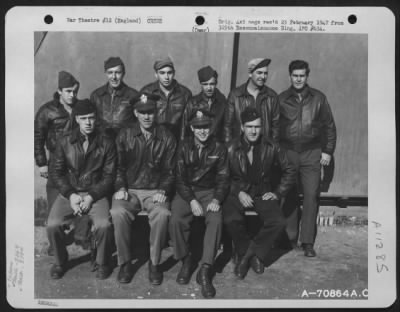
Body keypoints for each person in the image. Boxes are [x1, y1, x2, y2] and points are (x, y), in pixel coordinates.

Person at [111, 93, 177, 285]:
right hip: (129, 189)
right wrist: (121, 186)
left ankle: (154, 263)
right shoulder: (125, 134)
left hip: (155, 191)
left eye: (150, 112)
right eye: (142, 112)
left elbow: (170, 170)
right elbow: (117, 167)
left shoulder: (166, 136)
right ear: (135, 113)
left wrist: (163, 190)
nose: (147, 116)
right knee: (117, 212)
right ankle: (125, 263)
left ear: (156, 113)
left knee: (162, 213)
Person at [222, 107, 296, 279]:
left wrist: (277, 193)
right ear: (242, 128)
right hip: (238, 193)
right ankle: (243, 251)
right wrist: (238, 192)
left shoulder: (271, 146)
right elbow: (223, 177)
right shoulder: (231, 148)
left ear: (262, 127)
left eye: (257, 127)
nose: (253, 131)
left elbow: (290, 170)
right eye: (249, 127)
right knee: (231, 219)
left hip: (262, 192)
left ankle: (251, 256)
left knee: (278, 221)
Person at [47, 99, 116, 280]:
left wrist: (91, 197)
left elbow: (109, 176)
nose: (88, 122)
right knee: (53, 225)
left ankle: (102, 262)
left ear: (96, 119)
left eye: (91, 118)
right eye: (83, 118)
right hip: (70, 193)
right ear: (76, 119)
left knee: (103, 225)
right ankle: (60, 261)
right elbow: (56, 172)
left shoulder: (107, 142)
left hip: (96, 194)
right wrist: (71, 195)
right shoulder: (65, 141)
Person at [279, 60, 337, 257]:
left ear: (307, 76)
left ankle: (307, 241)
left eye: (302, 76)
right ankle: (289, 238)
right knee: (289, 195)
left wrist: (328, 150)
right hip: (288, 152)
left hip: (311, 152)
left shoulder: (319, 98)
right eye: (295, 75)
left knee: (311, 196)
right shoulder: (281, 99)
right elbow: (274, 129)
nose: (298, 79)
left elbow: (329, 126)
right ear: (290, 76)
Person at [169, 109, 229, 298]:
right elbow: (179, 179)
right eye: (199, 127)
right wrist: (192, 200)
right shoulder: (183, 146)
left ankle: (205, 268)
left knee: (216, 220)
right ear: (192, 128)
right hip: (187, 192)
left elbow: (223, 178)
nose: (203, 131)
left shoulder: (219, 148)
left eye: (206, 127)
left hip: (210, 192)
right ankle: (186, 260)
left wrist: (217, 199)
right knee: (176, 219)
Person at [35, 71, 80, 213]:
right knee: (55, 209)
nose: (72, 95)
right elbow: (38, 137)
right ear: (59, 91)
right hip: (56, 162)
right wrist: (42, 163)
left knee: (79, 205)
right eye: (68, 91)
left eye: (74, 91)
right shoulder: (46, 111)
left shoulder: (81, 108)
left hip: (78, 162)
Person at [224, 58, 280, 143]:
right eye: (259, 73)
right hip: (240, 147)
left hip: (263, 148)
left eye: (265, 73)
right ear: (250, 74)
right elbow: (228, 125)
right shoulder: (235, 95)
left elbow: (276, 126)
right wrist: (230, 149)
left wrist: (272, 149)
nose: (263, 77)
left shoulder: (272, 96)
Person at [140, 56, 192, 139]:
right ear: (156, 74)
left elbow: (186, 124)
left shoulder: (185, 94)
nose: (166, 77)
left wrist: (183, 144)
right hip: (153, 140)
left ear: (174, 73)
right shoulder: (147, 92)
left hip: (177, 139)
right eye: (162, 73)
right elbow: (141, 119)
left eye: (169, 73)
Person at [90, 56, 139, 139]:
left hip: (126, 143)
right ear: (105, 73)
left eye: (117, 72)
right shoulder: (96, 95)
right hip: (102, 144)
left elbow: (138, 123)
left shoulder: (133, 95)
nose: (114, 77)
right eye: (110, 73)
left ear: (123, 73)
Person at [181, 65, 227, 142]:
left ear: (216, 84)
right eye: (205, 84)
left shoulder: (222, 103)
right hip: (196, 146)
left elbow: (226, 128)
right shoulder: (192, 103)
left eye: (212, 84)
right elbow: (184, 129)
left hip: (216, 147)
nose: (209, 88)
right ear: (201, 85)